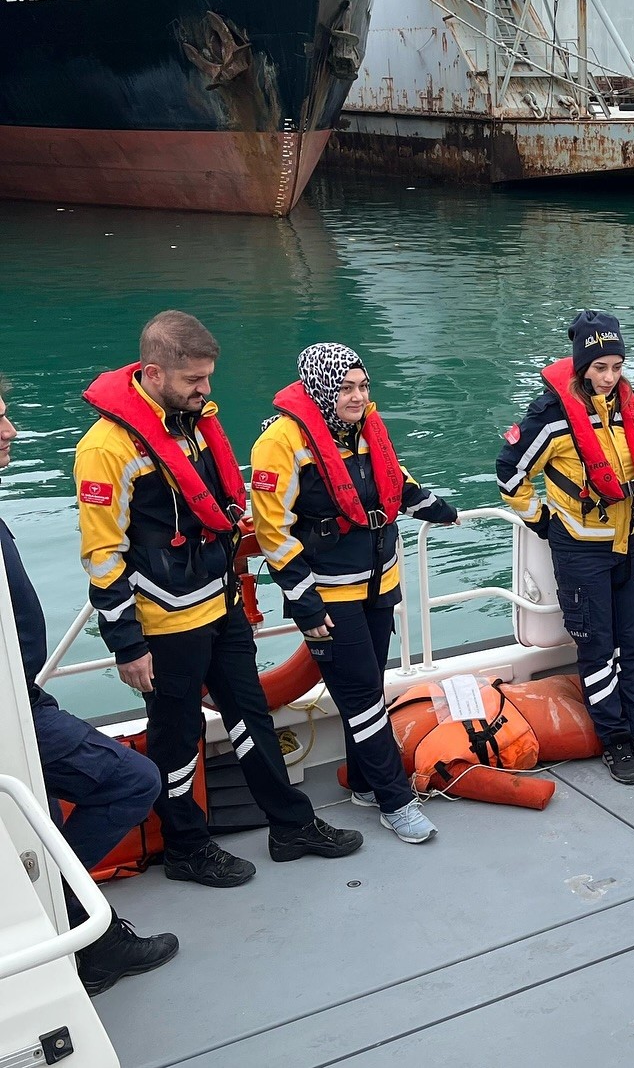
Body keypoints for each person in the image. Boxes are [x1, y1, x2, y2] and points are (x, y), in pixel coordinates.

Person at [73, 312, 362, 889]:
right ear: (154, 373)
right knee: (175, 737)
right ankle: (186, 847)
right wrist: (126, 644)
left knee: (252, 716)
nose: (206, 391)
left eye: (207, 379)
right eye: (194, 381)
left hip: (220, 602)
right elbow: (101, 555)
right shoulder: (105, 449)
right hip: (165, 620)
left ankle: (292, 826)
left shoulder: (194, 423)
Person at [0, 382, 178, 995]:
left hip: (23, 701)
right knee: (132, 780)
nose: (11, 432)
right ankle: (70, 922)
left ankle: (69, 930)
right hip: (10, 711)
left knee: (43, 820)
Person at [250, 344, 459, 844]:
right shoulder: (280, 442)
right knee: (364, 697)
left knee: (366, 689)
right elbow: (272, 530)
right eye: (346, 388)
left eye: (364, 387)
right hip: (328, 596)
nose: (358, 397)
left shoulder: (367, 428)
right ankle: (396, 800)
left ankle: (365, 783)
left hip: (380, 583)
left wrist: (435, 507)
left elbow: (393, 481)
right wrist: (304, 600)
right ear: (321, 387)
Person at [496, 311, 634, 785]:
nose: (609, 377)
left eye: (616, 366)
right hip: (582, 552)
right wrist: (543, 520)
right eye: (599, 367)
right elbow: (510, 474)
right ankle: (614, 740)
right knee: (598, 648)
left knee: (633, 646)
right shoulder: (551, 417)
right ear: (582, 366)